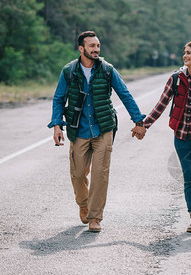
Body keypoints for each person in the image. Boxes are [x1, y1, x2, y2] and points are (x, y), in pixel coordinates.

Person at [48, 31, 146, 232]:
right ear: (81, 48)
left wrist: (139, 121)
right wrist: (57, 125)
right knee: (77, 174)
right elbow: (59, 99)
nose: (96, 49)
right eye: (91, 46)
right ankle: (84, 204)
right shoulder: (69, 71)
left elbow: (125, 94)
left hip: (103, 128)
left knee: (100, 174)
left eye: (98, 46)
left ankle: (95, 217)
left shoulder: (108, 70)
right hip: (78, 129)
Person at [139, 41, 191, 233]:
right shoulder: (176, 78)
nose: (185, 56)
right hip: (182, 133)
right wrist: (145, 125)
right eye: (184, 52)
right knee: (189, 176)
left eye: (189, 53)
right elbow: (161, 104)